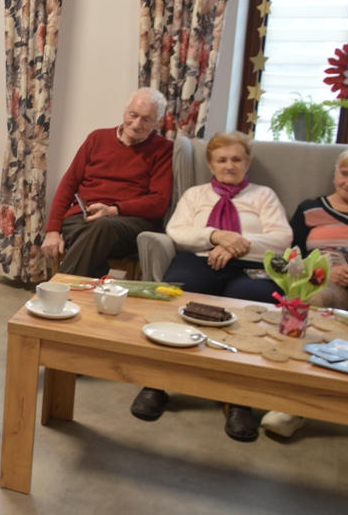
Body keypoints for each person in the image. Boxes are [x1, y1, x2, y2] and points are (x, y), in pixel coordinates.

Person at [130, 131, 292, 442]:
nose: (229, 165)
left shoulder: (263, 195)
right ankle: (158, 383)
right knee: (180, 297)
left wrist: (235, 245)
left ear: (248, 163)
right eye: (222, 159)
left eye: (236, 159)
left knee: (251, 304)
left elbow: (282, 238)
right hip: (199, 259)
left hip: (251, 266)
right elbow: (176, 231)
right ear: (211, 164)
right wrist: (215, 236)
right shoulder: (195, 195)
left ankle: (239, 399)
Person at [261, 146, 348, 438]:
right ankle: (292, 407)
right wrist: (322, 271)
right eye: (344, 173)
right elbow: (289, 256)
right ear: (335, 173)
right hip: (321, 281)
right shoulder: (310, 208)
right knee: (310, 309)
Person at [41, 88, 173, 278]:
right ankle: (86, 291)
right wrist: (53, 230)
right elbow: (69, 184)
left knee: (103, 227)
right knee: (94, 238)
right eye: (133, 115)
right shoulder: (97, 138)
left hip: (128, 223)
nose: (136, 124)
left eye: (146, 119)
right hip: (81, 218)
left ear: (158, 122)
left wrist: (113, 210)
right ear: (125, 111)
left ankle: (59, 289)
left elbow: (158, 202)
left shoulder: (163, 150)